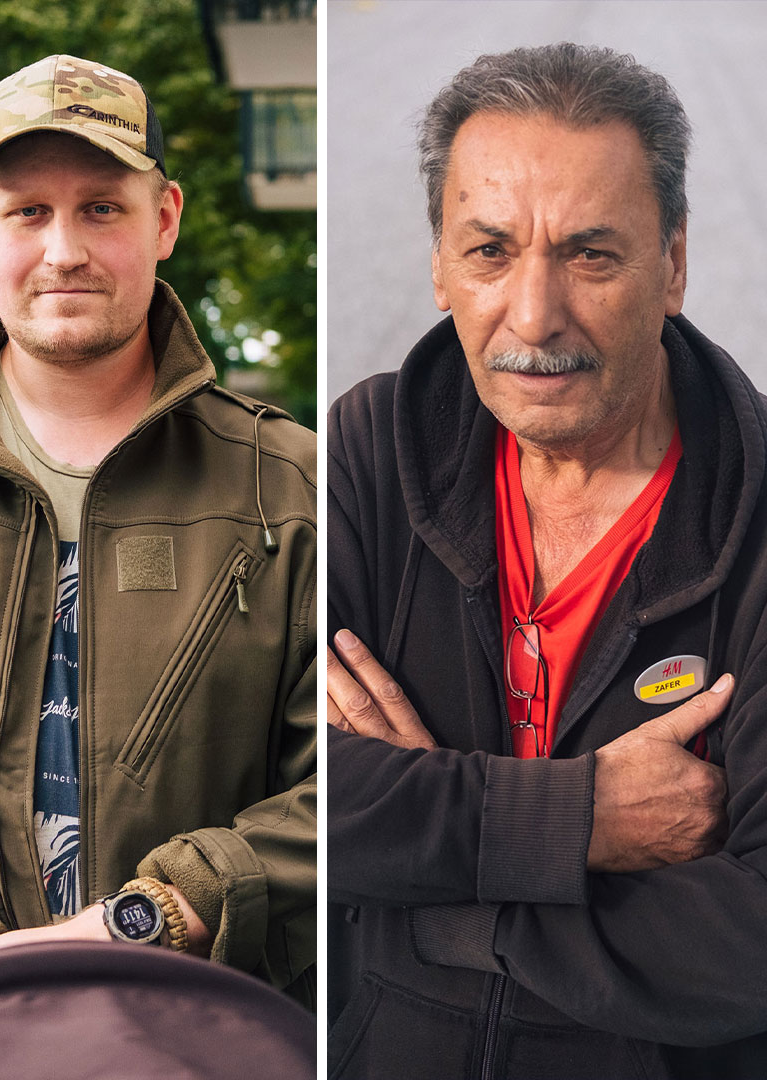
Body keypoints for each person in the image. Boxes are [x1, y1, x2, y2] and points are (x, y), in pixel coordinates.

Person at [0, 54, 316, 1020]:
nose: (63, 250)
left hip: (195, 1034)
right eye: (28, 211)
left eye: (101, 209)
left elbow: (347, 791)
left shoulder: (288, 489)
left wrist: (165, 914)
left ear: (165, 218)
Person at [327, 42, 767, 1077]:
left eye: (589, 254)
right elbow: (292, 795)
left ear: (672, 266)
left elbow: (749, 938)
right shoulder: (366, 450)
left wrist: (429, 881)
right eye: (488, 252)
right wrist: (576, 822)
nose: (531, 317)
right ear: (437, 265)